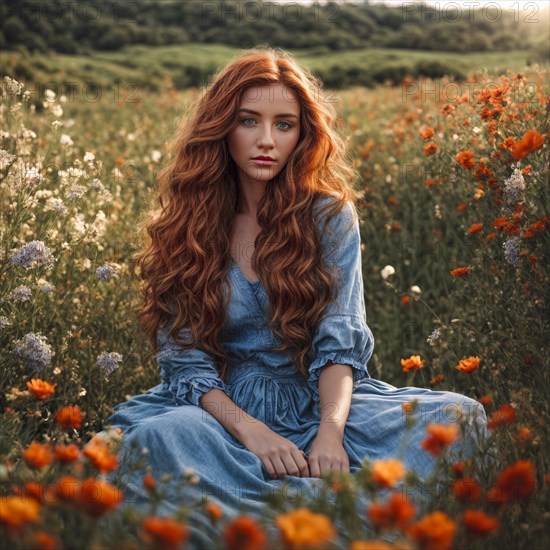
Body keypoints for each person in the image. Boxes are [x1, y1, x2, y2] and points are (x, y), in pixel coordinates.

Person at [99, 46, 488, 548]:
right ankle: (302, 520)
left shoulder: (329, 217)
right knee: (158, 439)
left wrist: (330, 433)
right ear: (222, 127)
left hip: (316, 398)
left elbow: (338, 343)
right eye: (249, 121)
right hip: (218, 410)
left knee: (461, 416)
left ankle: (301, 520)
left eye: (284, 124)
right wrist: (251, 432)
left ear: (304, 133)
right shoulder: (188, 225)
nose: (266, 140)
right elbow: (186, 362)